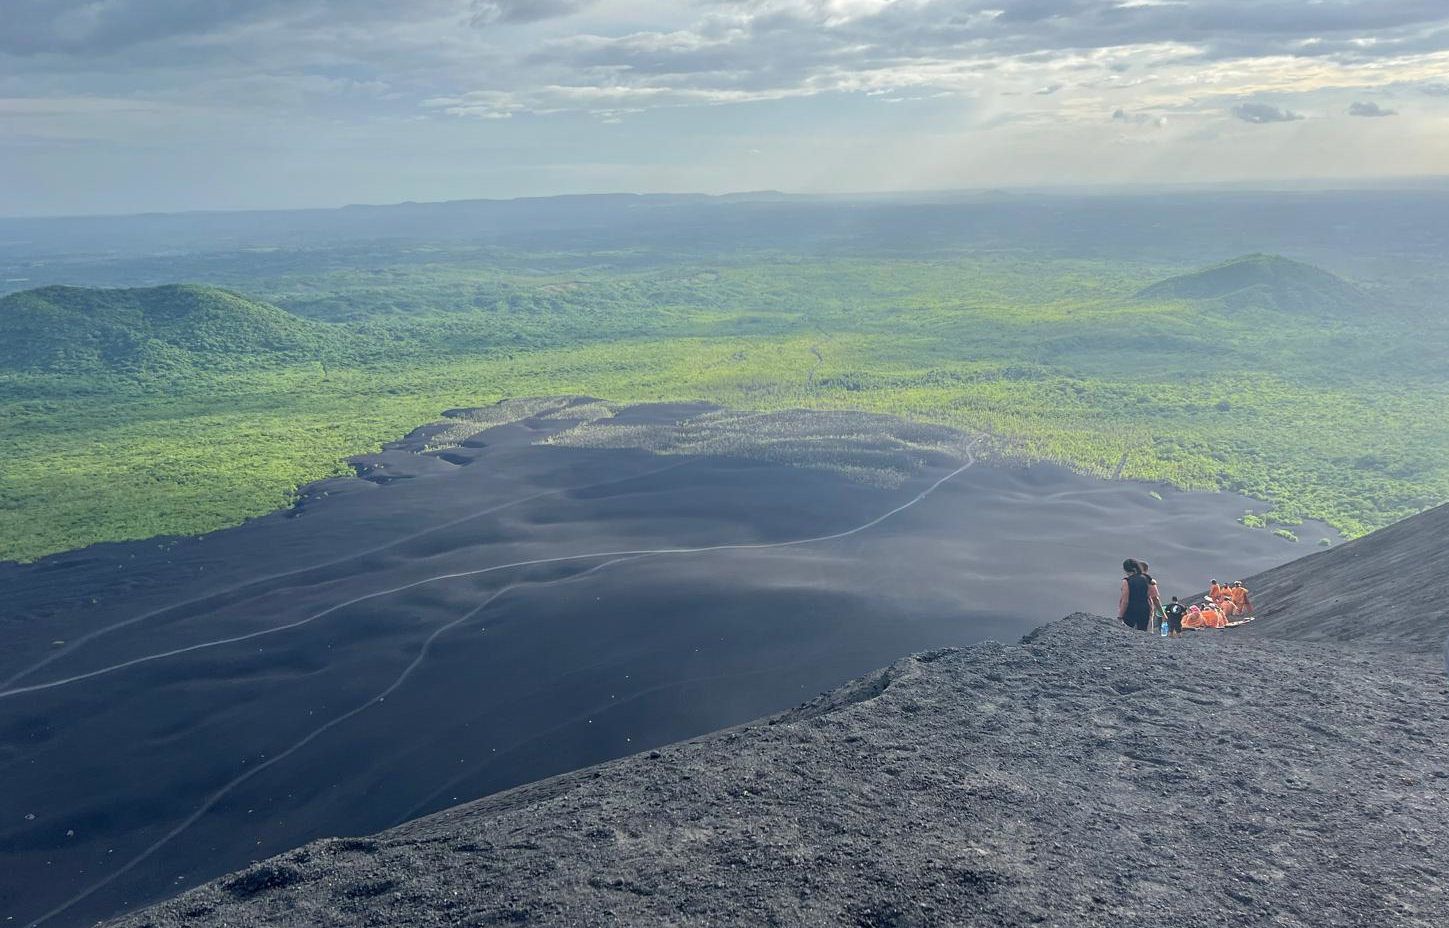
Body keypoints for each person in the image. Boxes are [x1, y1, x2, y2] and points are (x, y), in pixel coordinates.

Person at [1119, 559, 1154, 631]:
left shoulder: (1126, 581)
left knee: (1129, 631)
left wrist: (1120, 616)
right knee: (1143, 632)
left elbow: (1125, 601)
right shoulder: (1146, 578)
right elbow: (1152, 584)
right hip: (1145, 609)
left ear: (1125, 570)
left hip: (1131, 611)